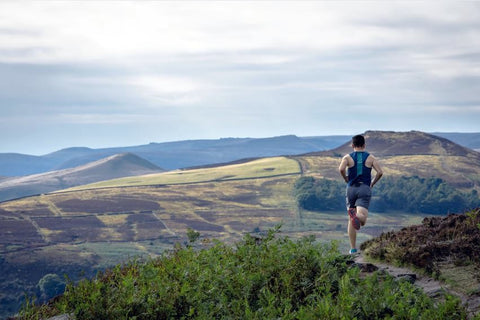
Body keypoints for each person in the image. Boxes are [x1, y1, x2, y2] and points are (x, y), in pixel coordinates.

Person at [338, 134, 383, 254]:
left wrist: (345, 178)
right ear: (364, 145)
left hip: (351, 189)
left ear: (352, 145)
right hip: (364, 188)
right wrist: (372, 183)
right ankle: (356, 216)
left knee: (351, 220)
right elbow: (380, 172)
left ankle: (353, 249)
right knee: (362, 219)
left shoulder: (347, 158)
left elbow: (341, 169)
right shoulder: (371, 158)